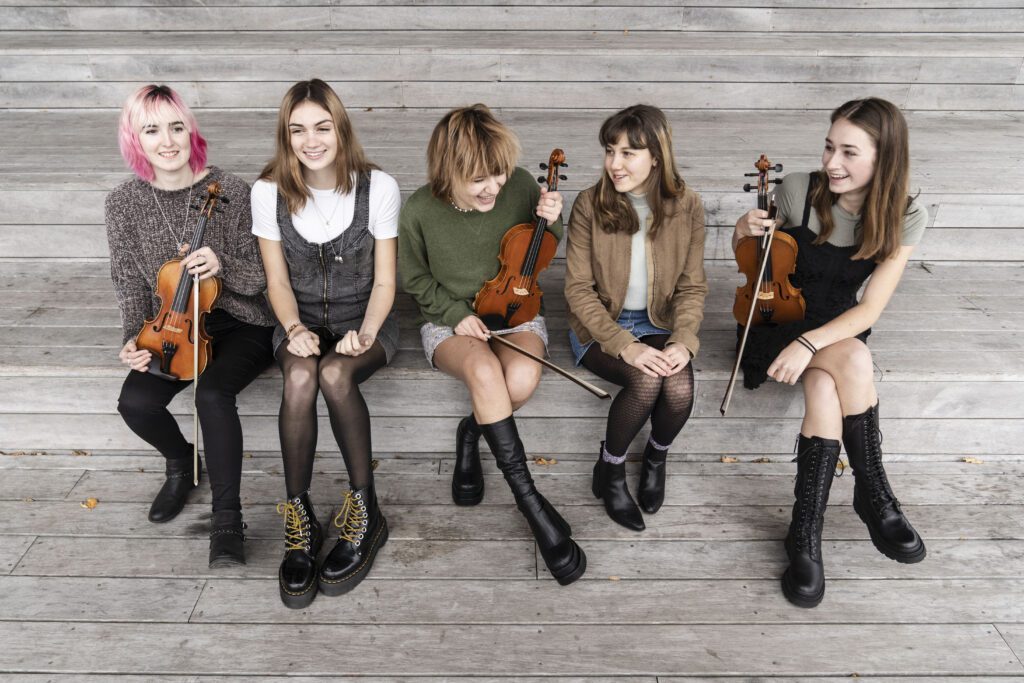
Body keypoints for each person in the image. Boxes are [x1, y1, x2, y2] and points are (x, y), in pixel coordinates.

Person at [733, 97, 928, 608]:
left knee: (826, 384)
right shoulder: (798, 190)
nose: (831, 163)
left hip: (833, 330)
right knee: (855, 362)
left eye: (848, 152)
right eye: (828, 147)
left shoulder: (906, 214)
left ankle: (806, 532)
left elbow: (869, 312)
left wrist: (810, 344)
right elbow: (754, 262)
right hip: (780, 318)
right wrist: (743, 229)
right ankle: (874, 493)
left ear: (884, 159)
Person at [398, 104, 586, 585]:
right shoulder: (419, 210)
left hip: (516, 308)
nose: (493, 187)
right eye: (479, 179)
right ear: (448, 170)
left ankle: (472, 432)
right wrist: (457, 316)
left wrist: (553, 220)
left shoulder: (521, 184)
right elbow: (415, 279)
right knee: (484, 372)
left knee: (521, 377)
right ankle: (531, 502)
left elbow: (539, 247)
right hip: (450, 321)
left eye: (498, 174)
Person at [106, 84, 274, 567]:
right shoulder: (123, 203)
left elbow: (264, 277)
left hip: (240, 321)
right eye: (152, 129)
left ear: (191, 130)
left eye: (176, 126)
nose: (168, 140)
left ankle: (227, 521)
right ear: (136, 139)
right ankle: (182, 461)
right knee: (135, 402)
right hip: (171, 326)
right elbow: (129, 282)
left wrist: (222, 265)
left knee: (211, 396)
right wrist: (132, 340)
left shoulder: (234, 190)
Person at [253, 79, 400, 608]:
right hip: (301, 321)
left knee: (335, 374)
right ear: (285, 136)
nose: (310, 140)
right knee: (299, 375)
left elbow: (385, 282)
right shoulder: (268, 191)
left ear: (340, 127)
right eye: (297, 130)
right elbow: (276, 283)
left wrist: (365, 329)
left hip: (369, 320)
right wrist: (293, 329)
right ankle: (301, 519)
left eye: (321, 127)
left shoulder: (377, 186)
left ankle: (366, 513)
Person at [564, 104, 707, 532]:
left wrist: (682, 340)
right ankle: (610, 470)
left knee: (678, 388)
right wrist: (625, 344)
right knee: (645, 381)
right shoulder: (590, 204)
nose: (614, 164)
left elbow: (691, 287)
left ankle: (656, 458)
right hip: (599, 325)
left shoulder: (688, 206)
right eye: (610, 151)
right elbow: (577, 291)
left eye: (628, 153)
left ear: (656, 157)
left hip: (659, 323)